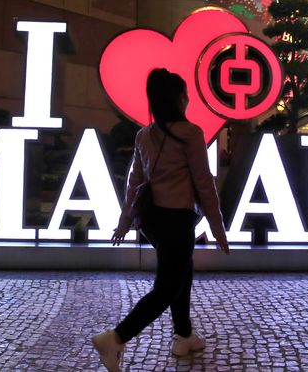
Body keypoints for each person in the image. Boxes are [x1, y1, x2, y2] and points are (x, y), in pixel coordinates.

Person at [91, 68, 230, 372]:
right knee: (168, 286)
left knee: (182, 271)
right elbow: (204, 183)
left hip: (152, 221)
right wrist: (218, 229)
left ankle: (184, 335)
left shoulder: (144, 135)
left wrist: (125, 222)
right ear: (179, 98)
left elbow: (134, 183)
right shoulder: (191, 133)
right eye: (186, 95)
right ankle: (115, 337)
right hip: (177, 220)